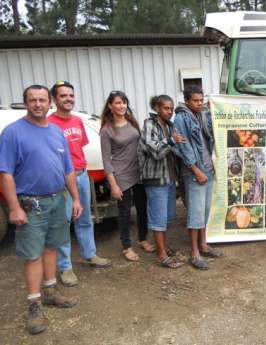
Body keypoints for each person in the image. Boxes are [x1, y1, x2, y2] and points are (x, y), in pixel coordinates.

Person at [0, 85, 82, 335]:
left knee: (51, 247)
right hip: (30, 203)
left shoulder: (57, 132)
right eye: (33, 100)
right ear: (26, 103)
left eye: (42, 100)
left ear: (50, 103)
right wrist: (14, 207)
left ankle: (50, 290)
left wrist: (75, 199)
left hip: (58, 199)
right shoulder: (12, 133)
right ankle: (34, 303)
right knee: (33, 254)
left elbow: (68, 169)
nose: (38, 104)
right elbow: (6, 173)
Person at [47, 81, 112, 287]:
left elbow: (78, 148)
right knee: (63, 223)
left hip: (82, 175)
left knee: (85, 218)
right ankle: (65, 267)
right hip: (63, 180)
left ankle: (90, 255)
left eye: (71, 95)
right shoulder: (49, 124)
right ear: (55, 99)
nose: (68, 99)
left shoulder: (76, 120)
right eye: (63, 96)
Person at [100, 91, 153, 262]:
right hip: (121, 175)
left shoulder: (131, 122)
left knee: (142, 208)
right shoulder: (107, 130)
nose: (121, 106)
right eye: (117, 103)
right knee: (124, 213)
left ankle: (143, 238)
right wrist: (113, 185)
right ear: (110, 106)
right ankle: (126, 246)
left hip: (138, 172)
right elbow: (106, 160)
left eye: (124, 102)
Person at [174, 86, 222, 270]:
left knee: (205, 212)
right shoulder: (181, 118)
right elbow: (182, 148)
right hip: (195, 173)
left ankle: (204, 245)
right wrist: (195, 170)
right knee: (195, 214)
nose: (199, 103)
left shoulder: (201, 115)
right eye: (195, 100)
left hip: (208, 169)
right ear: (186, 100)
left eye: (201, 100)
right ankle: (194, 253)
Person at [138, 95, 187, 268]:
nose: (169, 111)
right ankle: (161, 255)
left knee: (166, 217)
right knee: (158, 218)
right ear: (157, 108)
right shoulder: (149, 124)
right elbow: (155, 151)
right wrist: (172, 141)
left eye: (171, 109)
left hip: (169, 179)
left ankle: (163, 247)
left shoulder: (170, 126)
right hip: (155, 179)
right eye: (166, 108)